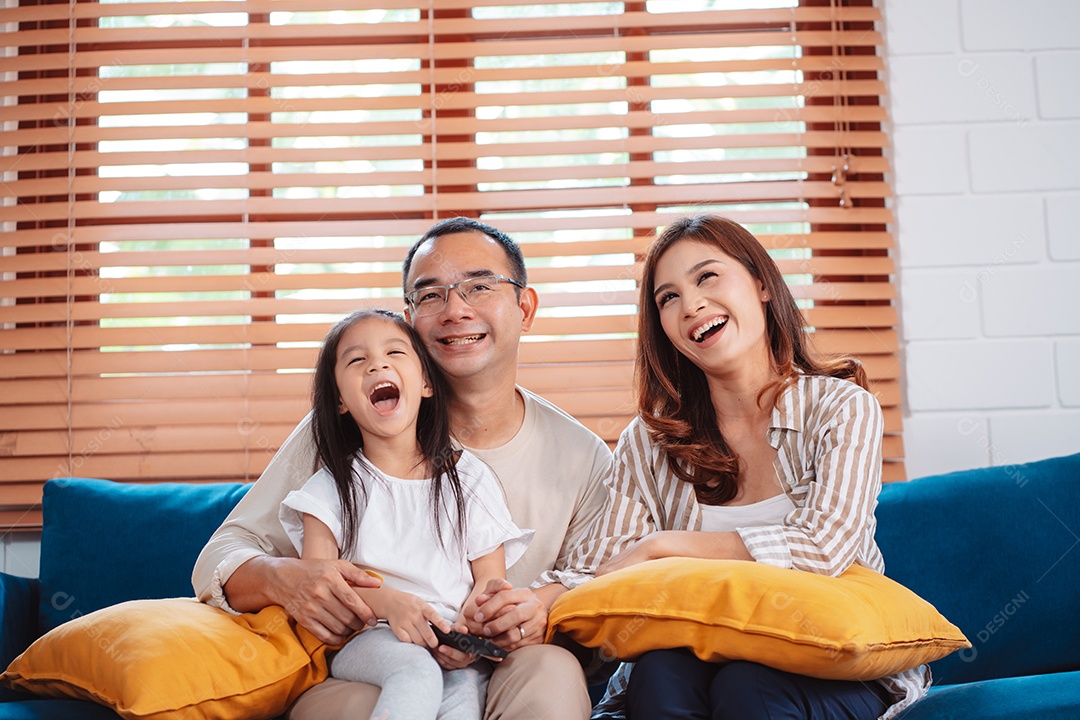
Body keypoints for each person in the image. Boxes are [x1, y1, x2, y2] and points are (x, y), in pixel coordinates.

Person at [193, 217, 612, 719]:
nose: (455, 310)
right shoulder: (342, 435)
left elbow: (602, 594)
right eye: (431, 295)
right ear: (410, 320)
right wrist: (286, 577)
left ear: (525, 307)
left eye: (479, 287)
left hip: (491, 666)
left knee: (553, 670)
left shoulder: (583, 457)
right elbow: (218, 558)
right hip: (372, 663)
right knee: (376, 694)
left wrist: (539, 609)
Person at [567, 215, 930, 720]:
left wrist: (662, 545)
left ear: (761, 283)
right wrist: (531, 603)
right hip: (689, 657)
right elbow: (602, 566)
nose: (690, 304)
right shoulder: (648, 442)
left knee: (749, 685)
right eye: (667, 297)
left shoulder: (841, 408)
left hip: (826, 659)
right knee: (658, 675)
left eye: (707, 277)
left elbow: (824, 547)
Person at [279, 308, 532, 719]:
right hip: (370, 640)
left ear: (427, 384)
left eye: (395, 352)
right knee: (415, 671)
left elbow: (490, 579)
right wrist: (390, 605)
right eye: (357, 360)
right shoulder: (328, 490)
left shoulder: (469, 480)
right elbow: (319, 585)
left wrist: (471, 623)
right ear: (341, 401)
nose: (377, 363)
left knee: (463, 698)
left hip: (449, 641)